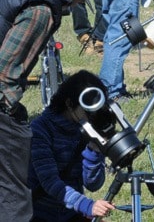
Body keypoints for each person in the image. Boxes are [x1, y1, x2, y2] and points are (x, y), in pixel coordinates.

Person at [0, 0, 100, 221]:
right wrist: (10, 115)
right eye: (78, 1)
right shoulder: (41, 10)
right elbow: (6, 70)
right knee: (13, 195)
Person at [28, 70, 116, 221]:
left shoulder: (87, 128)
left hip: (71, 213)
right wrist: (87, 206)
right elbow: (50, 182)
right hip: (39, 214)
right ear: (69, 103)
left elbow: (93, 185)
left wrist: (94, 152)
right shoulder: (40, 129)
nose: (93, 115)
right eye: (88, 110)